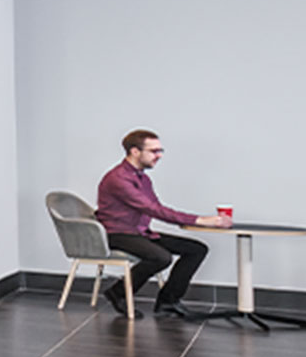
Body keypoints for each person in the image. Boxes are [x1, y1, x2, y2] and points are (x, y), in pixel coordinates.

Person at [95, 129, 229, 318]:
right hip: (119, 233)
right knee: (161, 257)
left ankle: (168, 301)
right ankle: (118, 293)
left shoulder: (143, 178)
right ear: (135, 151)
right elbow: (153, 209)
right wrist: (199, 220)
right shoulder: (119, 179)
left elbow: (156, 207)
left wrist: (196, 221)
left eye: (160, 151)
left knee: (197, 249)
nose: (159, 156)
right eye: (153, 151)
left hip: (140, 232)